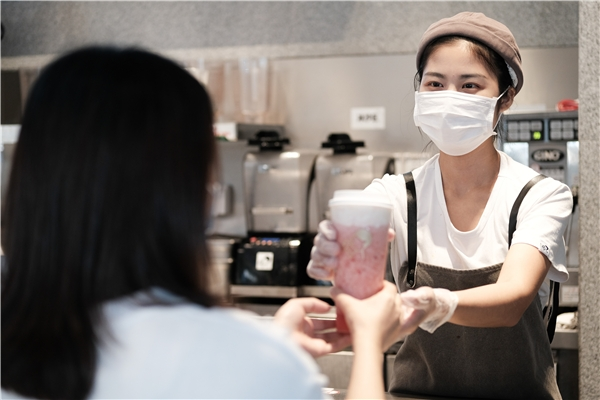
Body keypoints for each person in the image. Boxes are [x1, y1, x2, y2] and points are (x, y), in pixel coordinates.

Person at [0, 46, 407, 400]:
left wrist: (272, 342)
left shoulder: (17, 349)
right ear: (188, 192)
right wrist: (369, 343)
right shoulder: (250, 359)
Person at [308, 12, 572, 400]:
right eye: (435, 83)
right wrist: (334, 257)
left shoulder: (539, 194)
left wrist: (437, 303)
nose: (449, 98)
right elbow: (356, 280)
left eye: (469, 85)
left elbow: (512, 299)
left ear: (505, 98)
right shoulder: (393, 195)